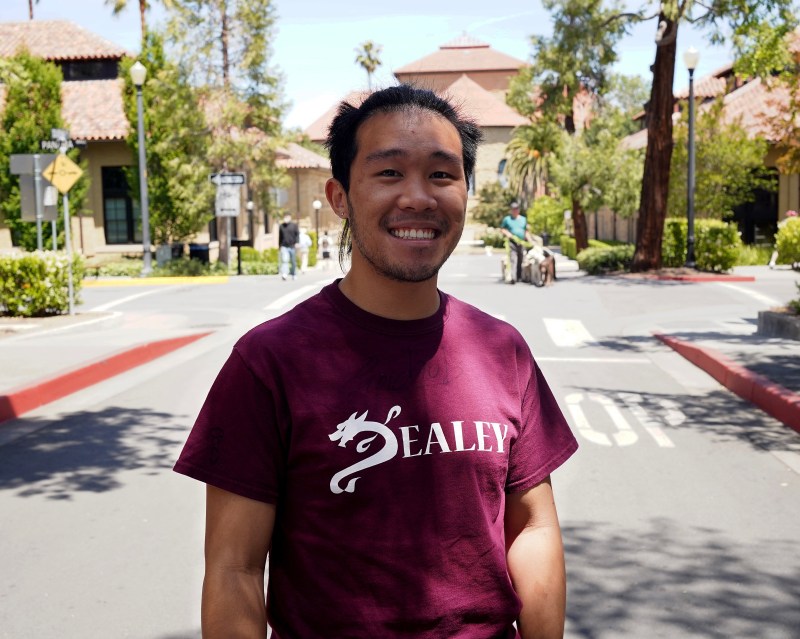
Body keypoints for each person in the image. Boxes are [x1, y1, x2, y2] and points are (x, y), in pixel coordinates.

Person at [174, 84, 578, 639]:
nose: (418, 197)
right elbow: (234, 571)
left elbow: (532, 530)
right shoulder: (269, 362)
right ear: (340, 197)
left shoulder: (503, 350)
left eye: (442, 174)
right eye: (389, 173)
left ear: (465, 191)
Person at [500, 202, 534, 284]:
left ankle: (519, 276)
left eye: (516, 209)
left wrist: (530, 241)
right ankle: (513, 277)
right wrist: (507, 234)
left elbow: (526, 231)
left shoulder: (523, 219)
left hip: (522, 242)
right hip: (512, 242)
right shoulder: (507, 219)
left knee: (521, 259)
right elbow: (502, 229)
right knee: (513, 259)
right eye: (513, 209)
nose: (515, 211)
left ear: (518, 210)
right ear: (511, 210)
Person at [278, 214, 299, 280]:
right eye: (284, 217)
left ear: (290, 217)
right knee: (285, 260)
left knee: (293, 261)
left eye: (287, 217)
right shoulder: (281, 226)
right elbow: (280, 237)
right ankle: (284, 274)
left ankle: (293, 274)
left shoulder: (294, 225)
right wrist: (279, 245)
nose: (285, 218)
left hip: (292, 246)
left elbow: (297, 234)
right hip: (284, 246)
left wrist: (297, 242)